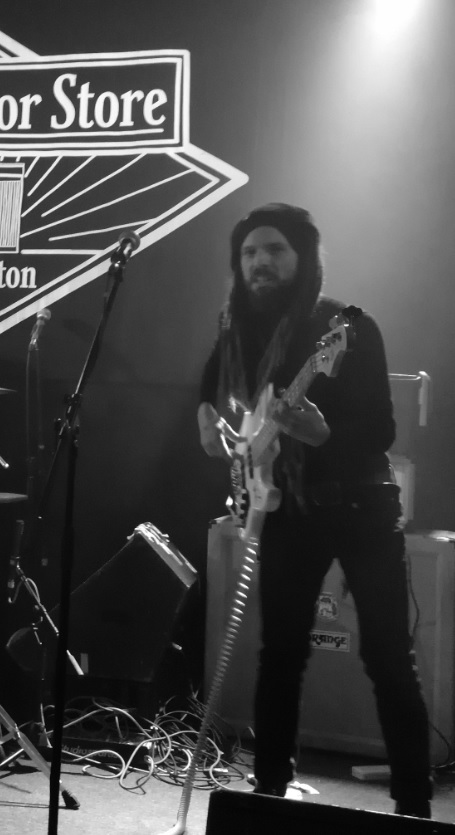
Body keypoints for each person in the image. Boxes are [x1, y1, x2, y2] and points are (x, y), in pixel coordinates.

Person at [196, 203, 432, 818]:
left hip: (361, 508)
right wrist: (204, 410)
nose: (260, 262)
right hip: (287, 510)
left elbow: (381, 430)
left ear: (303, 257)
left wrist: (325, 435)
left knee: (388, 658)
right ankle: (269, 792)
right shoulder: (237, 327)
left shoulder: (347, 326)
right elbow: (211, 379)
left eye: (274, 250)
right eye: (249, 252)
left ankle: (414, 807)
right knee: (279, 655)